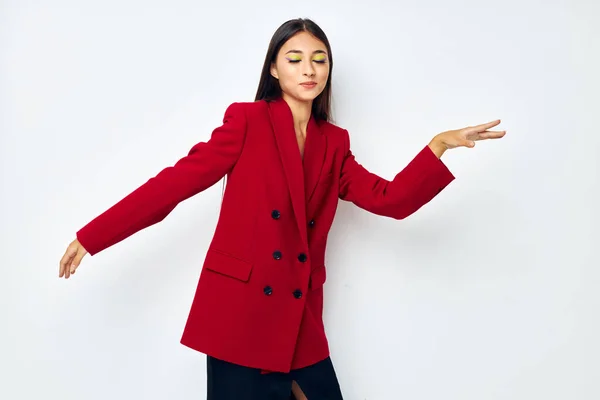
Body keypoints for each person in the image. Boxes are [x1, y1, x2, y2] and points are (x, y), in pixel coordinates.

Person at [58, 17, 505, 400]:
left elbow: (392, 201)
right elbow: (175, 184)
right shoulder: (246, 122)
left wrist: (439, 145)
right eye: (294, 59)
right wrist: (93, 236)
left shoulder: (335, 143)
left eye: (320, 59)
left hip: (298, 320)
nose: (309, 69)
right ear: (274, 68)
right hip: (240, 317)